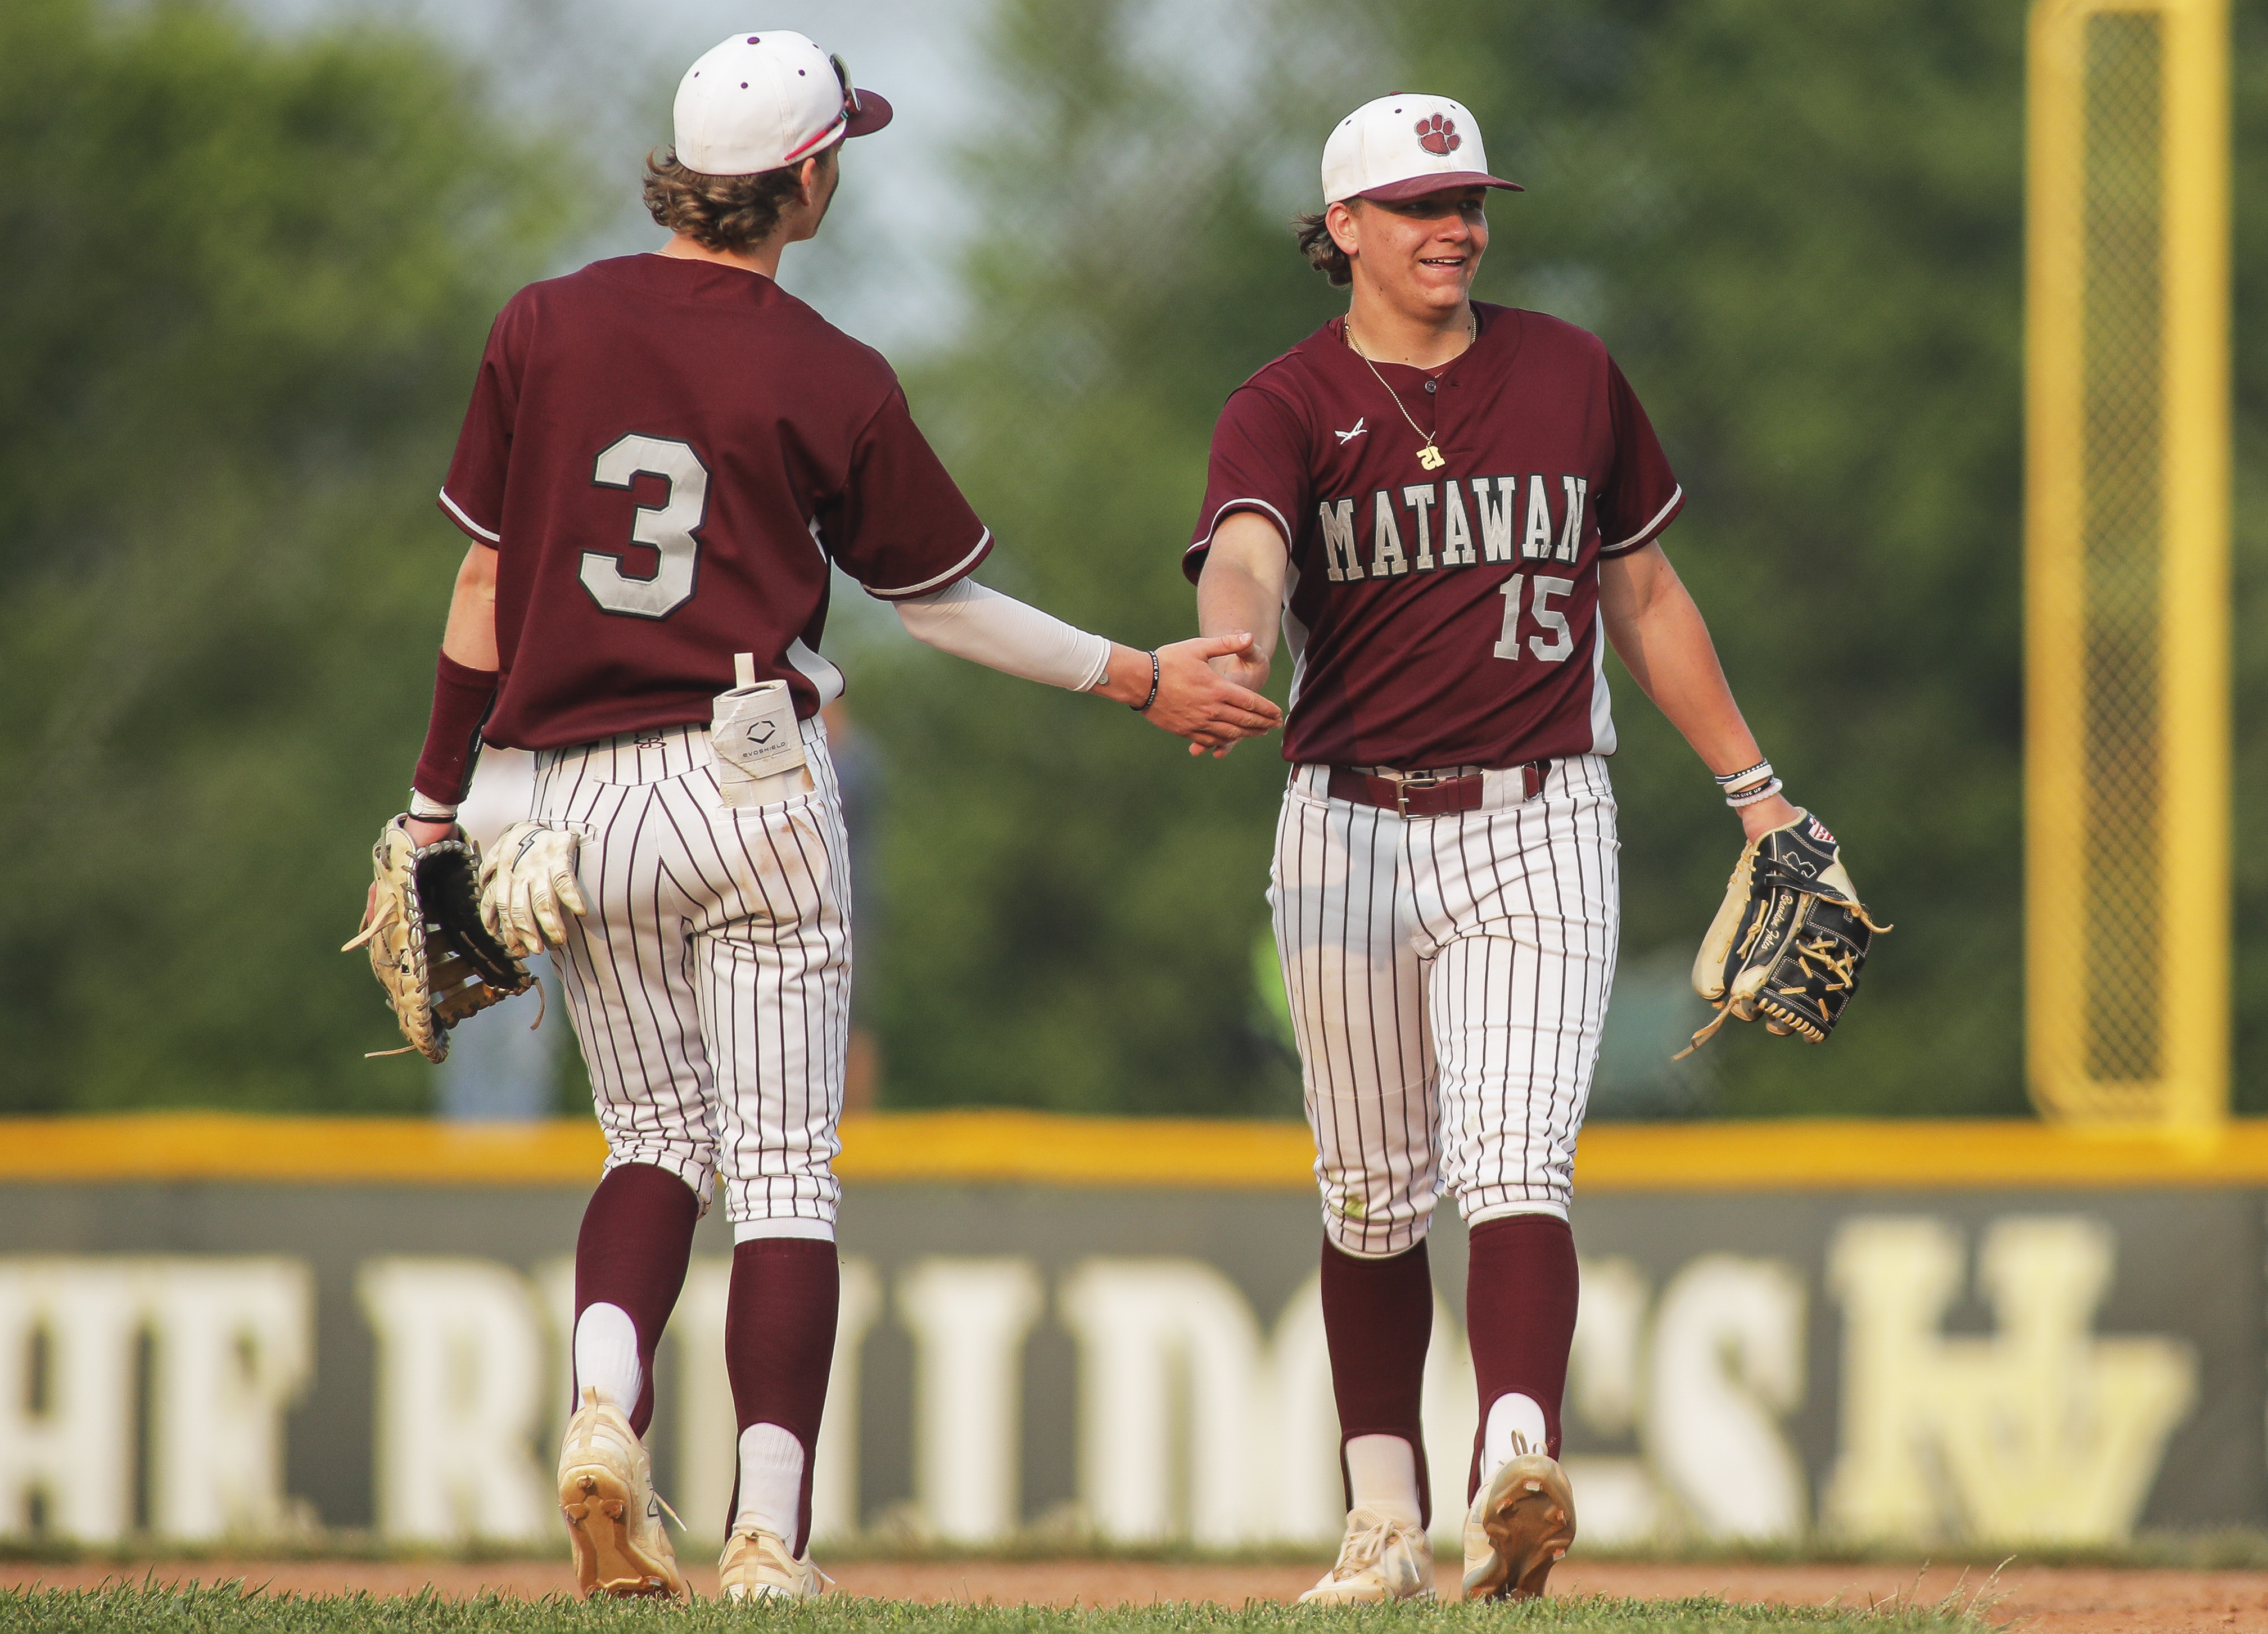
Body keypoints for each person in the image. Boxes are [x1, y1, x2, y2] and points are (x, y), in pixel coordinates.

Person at [399, 30, 1280, 1602]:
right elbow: (940, 605)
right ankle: (765, 1540)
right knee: (786, 1171)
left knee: (649, 1143)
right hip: (748, 774)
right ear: (806, 179)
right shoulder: (829, 372)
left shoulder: (540, 323)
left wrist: (429, 808)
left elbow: (478, 589)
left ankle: (605, 1411)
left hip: (571, 795)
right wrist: (1141, 675)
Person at [1185, 93, 1801, 1603]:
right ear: (1340, 230)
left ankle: (1513, 1453)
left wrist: (1758, 790)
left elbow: (1642, 595)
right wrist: (1228, 639)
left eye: (1467, 199)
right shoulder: (1282, 399)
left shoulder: (1569, 369)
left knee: (1517, 1154)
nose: (1454, 224)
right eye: (1415, 204)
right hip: (1345, 826)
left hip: (1538, 815)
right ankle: (1380, 1517)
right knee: (1371, 1190)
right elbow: (1250, 544)